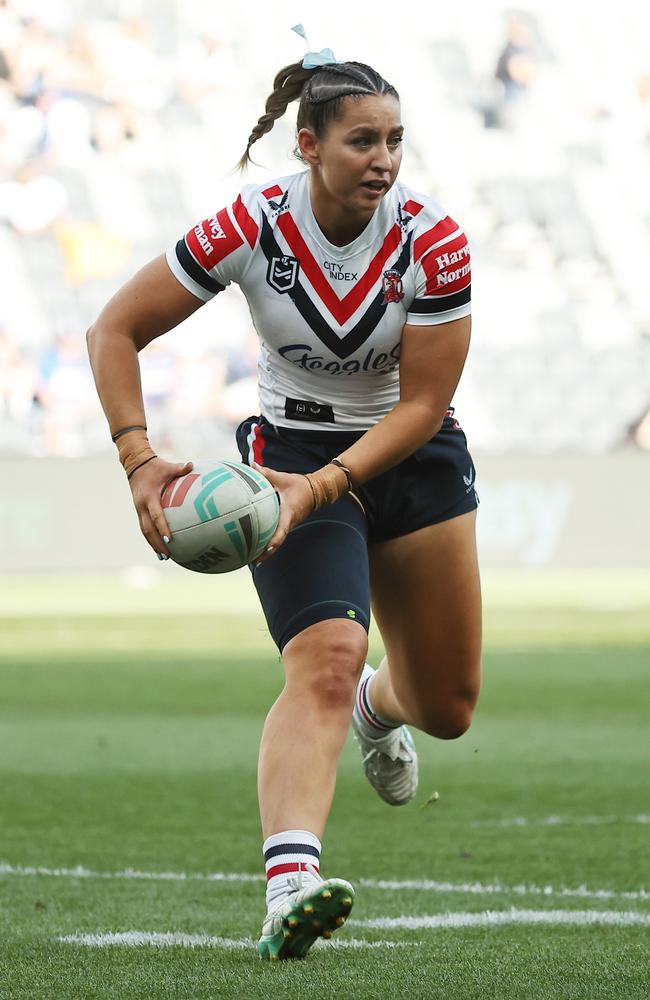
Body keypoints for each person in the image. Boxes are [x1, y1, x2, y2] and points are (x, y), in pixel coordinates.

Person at [86, 38, 481, 962]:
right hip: (286, 455)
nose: (383, 159)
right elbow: (115, 328)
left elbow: (423, 403)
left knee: (450, 703)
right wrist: (140, 460)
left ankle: (380, 714)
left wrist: (332, 483)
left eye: (394, 141)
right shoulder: (248, 224)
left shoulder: (435, 239)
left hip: (410, 455)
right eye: (361, 141)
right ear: (308, 145)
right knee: (328, 656)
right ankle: (290, 884)